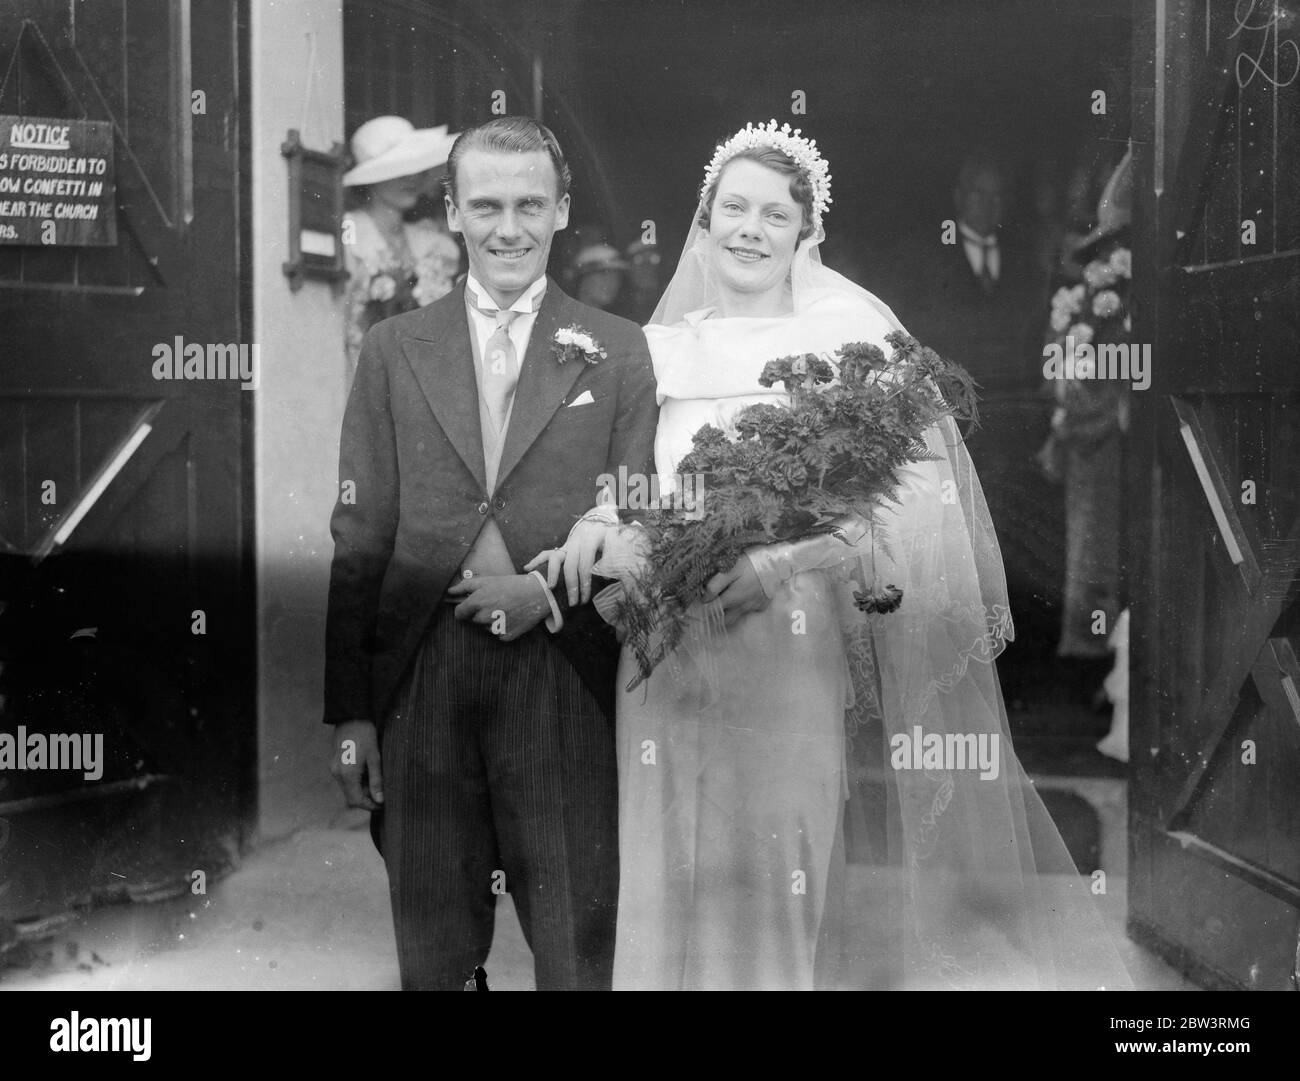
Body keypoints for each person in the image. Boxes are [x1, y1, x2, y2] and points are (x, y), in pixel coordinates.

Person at [531, 120, 1133, 990]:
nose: (748, 229)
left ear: (806, 232)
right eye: (731, 207)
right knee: (666, 869)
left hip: (785, 641)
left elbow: (898, 515)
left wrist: (774, 566)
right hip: (662, 651)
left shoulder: (845, 339)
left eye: (774, 215)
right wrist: (602, 524)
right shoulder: (654, 349)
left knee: (779, 866)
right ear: (703, 221)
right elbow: (625, 479)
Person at [324, 116, 659, 991]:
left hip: (563, 669)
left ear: (561, 212)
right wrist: (352, 710)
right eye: (486, 206)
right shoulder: (396, 348)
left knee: (577, 935)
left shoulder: (618, 350)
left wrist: (542, 592)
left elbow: (633, 509)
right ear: (454, 211)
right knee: (435, 947)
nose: (508, 227)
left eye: (528, 205)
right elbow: (359, 535)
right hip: (422, 671)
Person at [342, 116, 463, 385]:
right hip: (363, 378)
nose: (412, 178)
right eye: (398, 170)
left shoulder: (432, 243)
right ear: (372, 178)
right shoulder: (351, 234)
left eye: (415, 168)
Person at [568, 241, 629, 311]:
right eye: (603, 273)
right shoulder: (562, 316)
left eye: (617, 277)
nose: (612, 282)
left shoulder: (614, 320)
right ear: (583, 277)